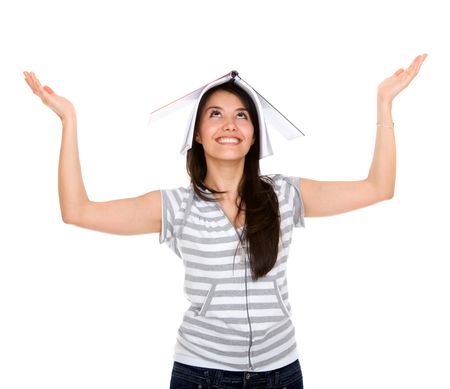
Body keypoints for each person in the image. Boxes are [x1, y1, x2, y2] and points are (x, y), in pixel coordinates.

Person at [23, 54, 427, 389]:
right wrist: (69, 121)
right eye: (215, 114)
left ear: (254, 136)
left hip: (281, 375)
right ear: (198, 133)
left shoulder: (286, 195)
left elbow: (378, 187)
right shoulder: (175, 207)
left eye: (242, 116)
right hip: (201, 375)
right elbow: (77, 211)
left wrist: (384, 104)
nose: (230, 124)